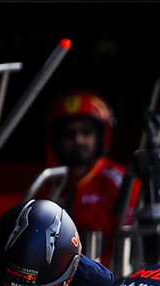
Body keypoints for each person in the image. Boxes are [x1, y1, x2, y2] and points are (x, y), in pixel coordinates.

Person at [42, 90, 129, 265]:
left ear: (101, 136)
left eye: (86, 132)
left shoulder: (121, 182)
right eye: (69, 133)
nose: (78, 140)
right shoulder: (48, 183)